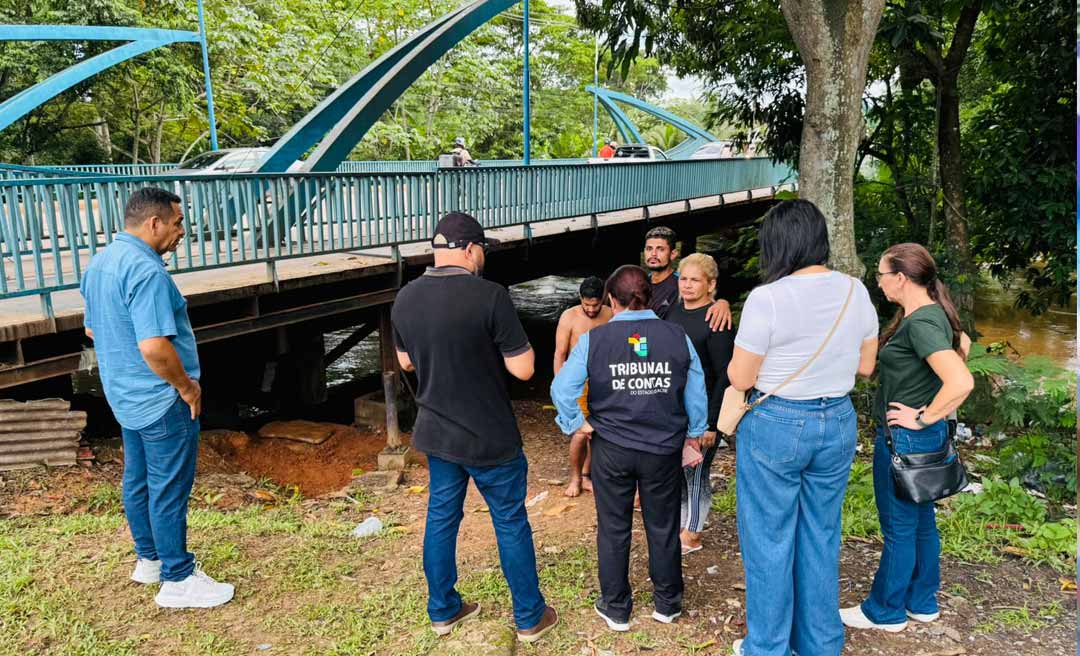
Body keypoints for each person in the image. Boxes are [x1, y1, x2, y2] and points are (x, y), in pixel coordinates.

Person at [391, 211, 558, 643]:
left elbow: (405, 361)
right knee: (509, 520)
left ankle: (443, 610)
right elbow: (523, 369)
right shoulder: (491, 296)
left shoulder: (405, 297)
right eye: (481, 249)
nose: (482, 257)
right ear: (469, 249)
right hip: (490, 436)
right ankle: (529, 617)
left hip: (437, 432)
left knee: (442, 518)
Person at [726, 200, 879, 656]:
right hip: (837, 420)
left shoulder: (767, 298)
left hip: (778, 423)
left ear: (777, 245)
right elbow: (867, 366)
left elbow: (740, 378)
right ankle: (820, 644)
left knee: (769, 539)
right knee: (820, 534)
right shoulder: (856, 290)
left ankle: (769, 647)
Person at [80, 187, 234, 609]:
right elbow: (153, 347)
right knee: (169, 487)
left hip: (124, 395)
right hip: (161, 398)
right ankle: (178, 578)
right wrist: (187, 387)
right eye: (178, 222)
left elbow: (93, 329)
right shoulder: (147, 272)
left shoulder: (101, 264)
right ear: (154, 223)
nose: (182, 231)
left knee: (138, 481)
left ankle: (149, 559)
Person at [550, 265, 708, 633]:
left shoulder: (596, 339)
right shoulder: (676, 335)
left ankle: (617, 608)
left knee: (613, 527)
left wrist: (578, 423)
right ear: (649, 297)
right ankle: (668, 603)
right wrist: (694, 433)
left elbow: (561, 389)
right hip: (662, 448)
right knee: (663, 525)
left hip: (612, 449)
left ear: (611, 300)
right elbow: (695, 390)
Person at [841, 243, 974, 633]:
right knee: (921, 525)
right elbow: (963, 346)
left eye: (881, 275)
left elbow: (961, 379)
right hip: (926, 440)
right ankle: (921, 601)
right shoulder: (933, 314)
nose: (878, 283)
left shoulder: (920, 323)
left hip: (907, 439)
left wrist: (922, 415)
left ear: (900, 278)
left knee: (899, 528)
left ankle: (885, 611)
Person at [663, 253, 735, 555]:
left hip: (702, 414)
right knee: (678, 472)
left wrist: (711, 423)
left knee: (696, 473)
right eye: (684, 279)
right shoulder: (673, 313)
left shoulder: (717, 319)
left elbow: (724, 375)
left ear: (711, 284)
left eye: (696, 280)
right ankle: (682, 524)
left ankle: (692, 533)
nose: (688, 285)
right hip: (674, 411)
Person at [553, 276, 613, 497]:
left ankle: (587, 475)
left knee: (598, 432)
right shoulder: (569, 317)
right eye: (586, 304)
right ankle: (575, 477)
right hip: (578, 381)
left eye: (595, 305)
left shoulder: (610, 314)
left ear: (603, 300)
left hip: (605, 381)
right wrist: (560, 387)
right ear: (580, 299)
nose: (590, 309)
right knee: (580, 433)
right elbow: (560, 354)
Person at [642, 226, 731, 329]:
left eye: (660, 249)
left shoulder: (684, 283)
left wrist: (722, 303)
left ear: (673, 254)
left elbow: (708, 301)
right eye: (649, 249)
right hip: (640, 340)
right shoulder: (638, 283)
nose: (653, 254)